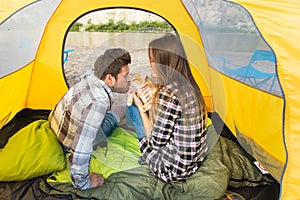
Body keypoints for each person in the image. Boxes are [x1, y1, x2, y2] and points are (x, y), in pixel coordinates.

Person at [127, 33, 209, 182]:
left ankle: (146, 157)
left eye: (152, 60)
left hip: (172, 169)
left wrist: (140, 107)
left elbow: (155, 143)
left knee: (132, 108)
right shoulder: (190, 84)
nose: (149, 64)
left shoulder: (168, 94)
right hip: (194, 162)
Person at [49, 48, 131, 190]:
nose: (129, 80)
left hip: (58, 127)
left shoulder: (91, 75)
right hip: (67, 142)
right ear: (110, 78)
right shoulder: (98, 102)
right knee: (123, 108)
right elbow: (81, 148)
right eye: (126, 76)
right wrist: (84, 183)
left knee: (115, 109)